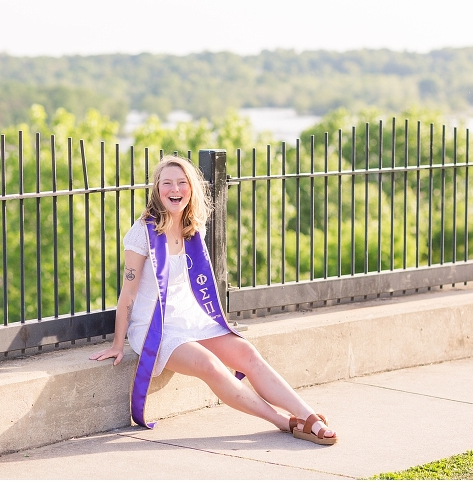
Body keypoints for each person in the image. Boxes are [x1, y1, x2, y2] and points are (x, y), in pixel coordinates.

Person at [89, 155, 337, 445]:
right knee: (211, 365)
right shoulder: (143, 233)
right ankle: (284, 422)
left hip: (191, 319)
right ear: (157, 189)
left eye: (182, 183)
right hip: (157, 327)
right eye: (167, 183)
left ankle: (308, 417)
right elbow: (128, 294)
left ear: (191, 189)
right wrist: (119, 344)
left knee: (247, 354)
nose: (175, 189)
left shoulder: (194, 228)